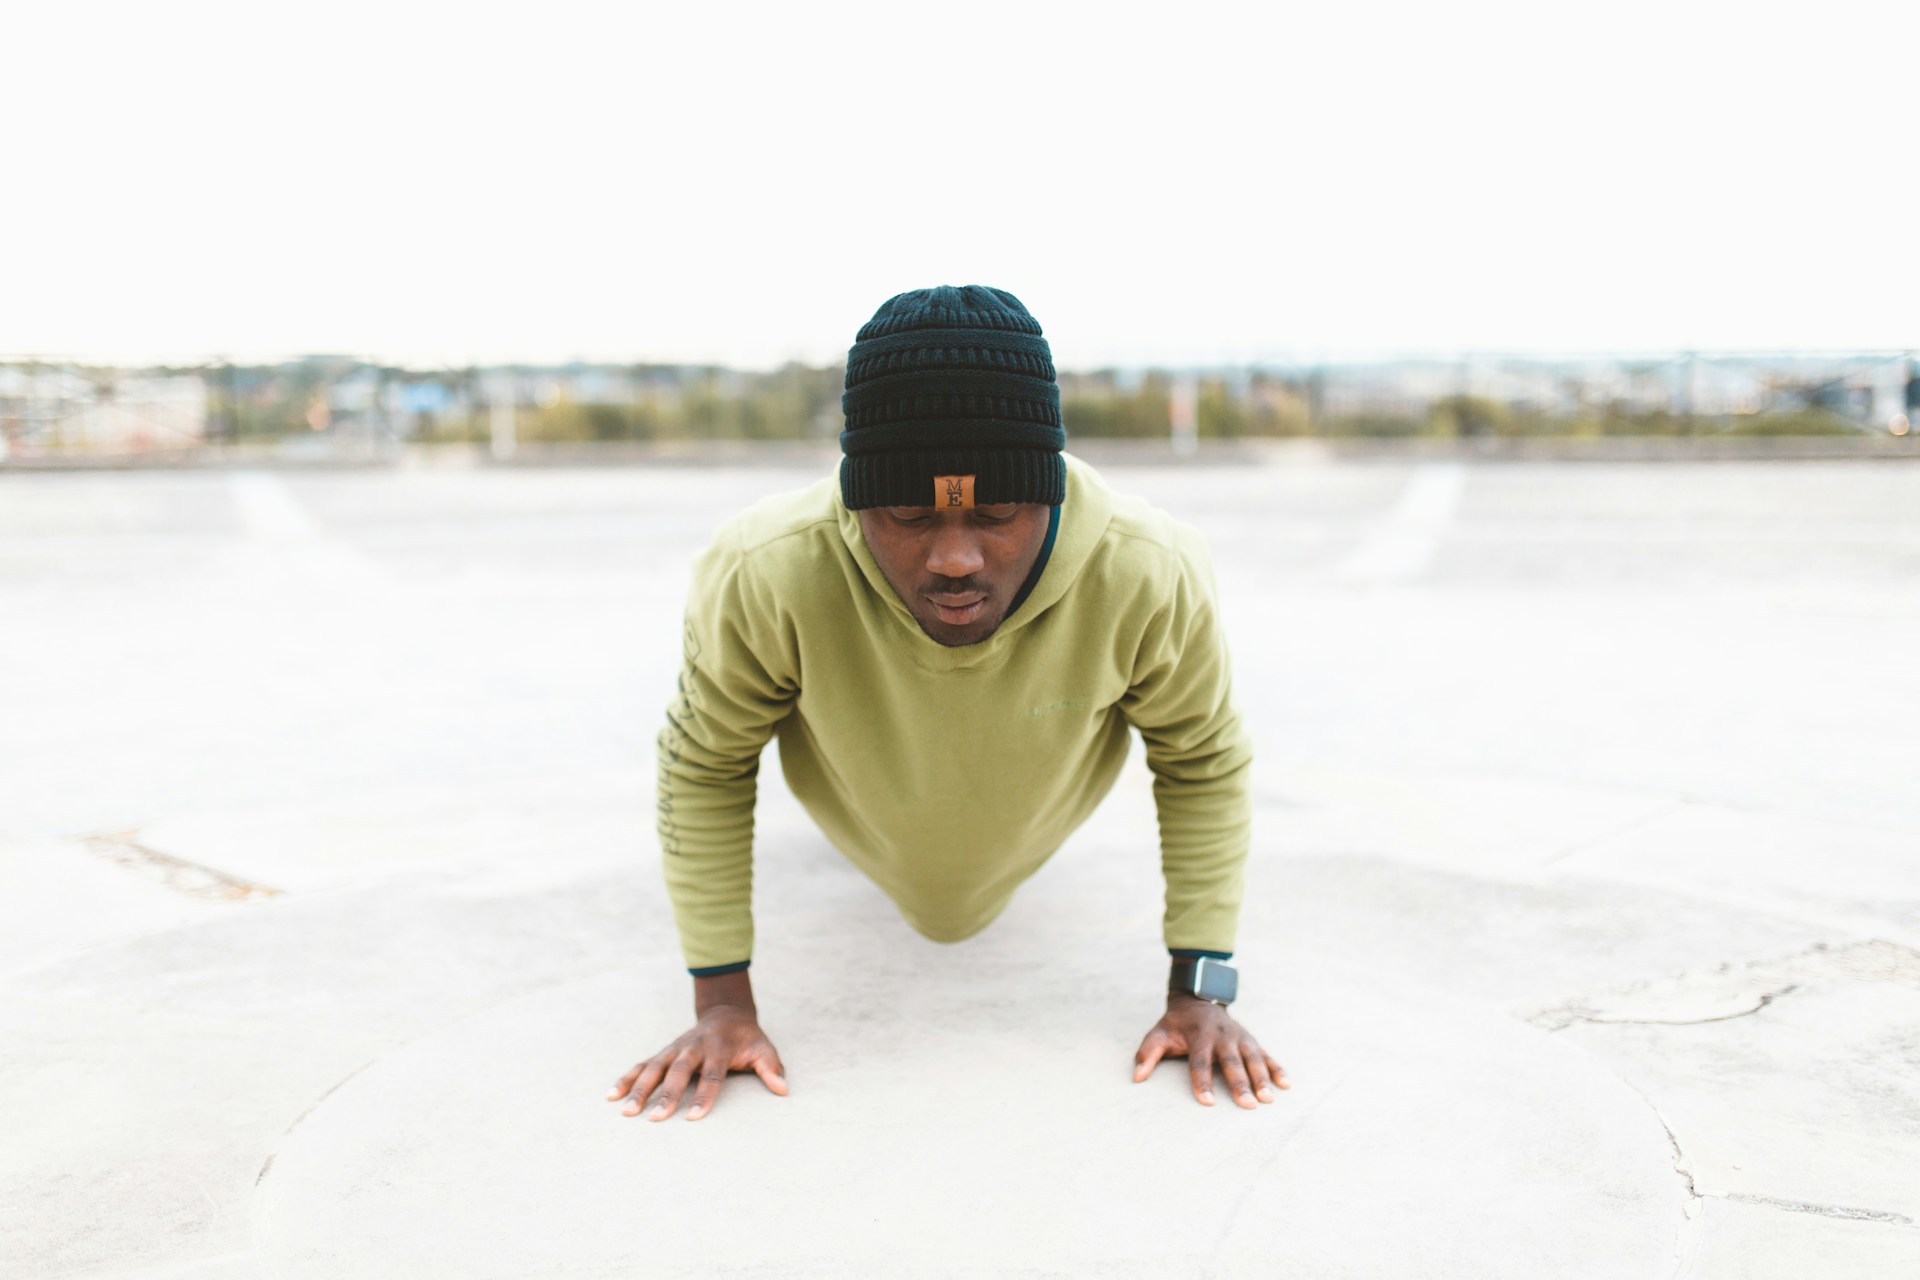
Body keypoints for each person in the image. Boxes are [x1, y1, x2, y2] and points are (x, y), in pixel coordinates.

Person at [607, 285, 1287, 1122]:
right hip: (861, 815)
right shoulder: (767, 572)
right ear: (858, 502)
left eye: (998, 511)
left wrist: (1203, 990)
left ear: (1052, 495)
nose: (957, 557)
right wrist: (721, 1006)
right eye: (908, 512)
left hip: (1031, 822)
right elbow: (704, 764)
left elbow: (1204, 762)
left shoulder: (1147, 573)